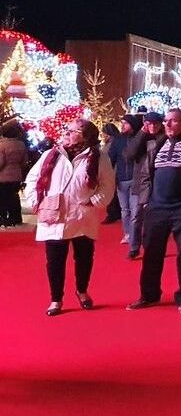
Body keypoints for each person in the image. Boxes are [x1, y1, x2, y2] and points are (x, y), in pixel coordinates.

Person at [127, 108, 181, 314]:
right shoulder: (157, 144)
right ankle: (149, 295)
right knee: (151, 254)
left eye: (173, 121)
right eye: (166, 120)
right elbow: (144, 172)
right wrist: (146, 201)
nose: (167, 124)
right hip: (156, 207)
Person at [23, 119, 115, 316]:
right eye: (67, 129)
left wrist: (95, 200)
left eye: (72, 131)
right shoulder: (51, 155)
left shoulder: (98, 158)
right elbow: (33, 179)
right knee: (54, 261)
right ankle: (56, 299)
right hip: (54, 215)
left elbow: (107, 184)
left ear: (86, 136)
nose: (66, 133)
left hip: (82, 215)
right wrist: (35, 201)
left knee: (84, 258)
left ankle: (82, 290)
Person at [123, 112, 166, 259]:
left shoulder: (165, 138)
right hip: (140, 182)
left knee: (156, 218)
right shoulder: (139, 136)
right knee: (136, 216)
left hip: (158, 181)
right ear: (144, 123)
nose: (152, 127)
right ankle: (134, 247)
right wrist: (142, 134)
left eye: (155, 124)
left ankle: (152, 246)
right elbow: (129, 155)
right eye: (149, 123)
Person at [107, 115, 139, 238]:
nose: (122, 125)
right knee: (125, 209)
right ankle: (127, 233)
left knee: (135, 210)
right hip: (121, 179)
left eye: (126, 123)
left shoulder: (139, 138)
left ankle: (134, 235)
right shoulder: (118, 140)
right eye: (122, 123)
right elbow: (111, 159)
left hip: (135, 179)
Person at [0, 121, 30, 227]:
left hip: (2, 177)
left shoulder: (1, 145)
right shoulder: (21, 144)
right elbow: (24, 161)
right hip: (17, 175)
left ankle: (4, 219)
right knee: (14, 197)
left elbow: (1, 162)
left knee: (2, 198)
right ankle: (16, 218)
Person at [100, 123, 122, 223]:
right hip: (114, 171)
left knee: (112, 195)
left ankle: (112, 214)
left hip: (112, 172)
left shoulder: (111, 144)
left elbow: (108, 159)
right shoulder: (115, 142)